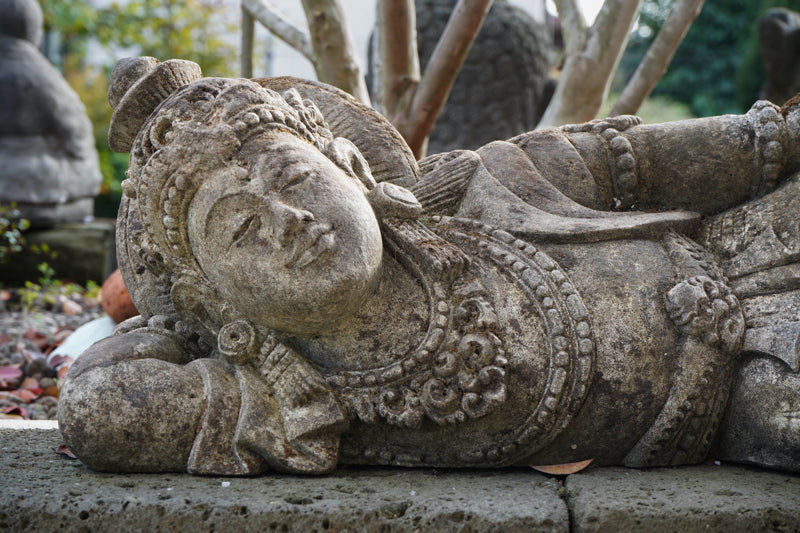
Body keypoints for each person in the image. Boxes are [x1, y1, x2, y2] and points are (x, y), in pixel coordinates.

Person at [59, 57, 800, 475]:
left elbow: (676, 158)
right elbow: (96, 413)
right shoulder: (290, 403)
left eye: (295, 181)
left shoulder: (491, 188)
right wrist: (171, 326)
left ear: (349, 164)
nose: (290, 224)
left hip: (744, 243)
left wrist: (781, 140)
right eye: (242, 229)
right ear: (226, 303)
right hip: (740, 397)